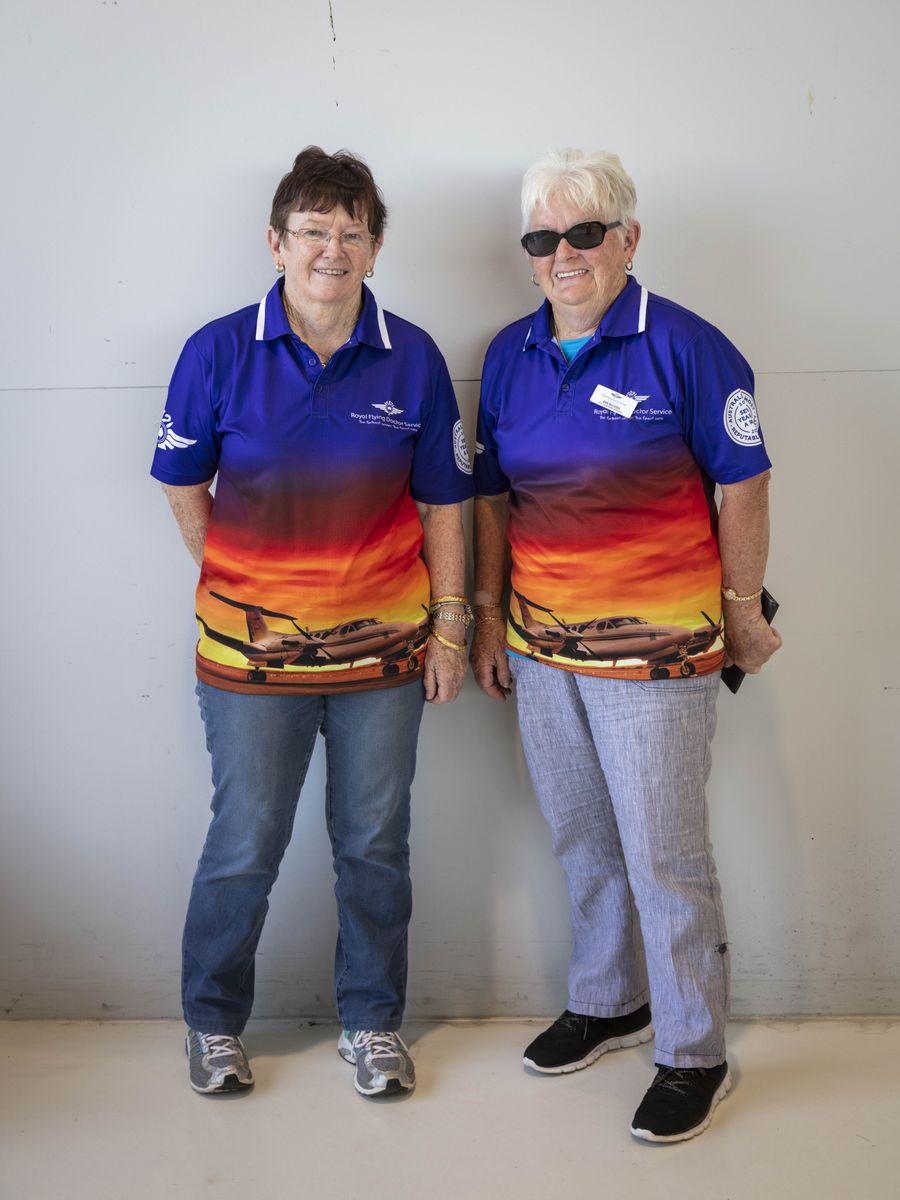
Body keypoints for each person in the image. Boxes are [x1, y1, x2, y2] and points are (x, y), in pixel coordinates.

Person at [471, 148, 781, 1143]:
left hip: (655, 655)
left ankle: (695, 1051)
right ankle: (611, 1001)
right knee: (582, 838)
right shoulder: (511, 356)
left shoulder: (689, 348)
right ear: (527, 255)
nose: (563, 255)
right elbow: (488, 500)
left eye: (585, 234)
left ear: (628, 239)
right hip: (539, 647)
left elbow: (746, 484)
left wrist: (740, 608)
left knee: (666, 855)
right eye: (543, 239)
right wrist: (483, 619)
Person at [151, 147, 473, 1099]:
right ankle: (212, 1025)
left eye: (352, 232)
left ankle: (371, 1024)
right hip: (248, 665)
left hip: (385, 661)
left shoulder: (412, 355)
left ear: (374, 249)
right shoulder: (216, 350)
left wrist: (450, 627)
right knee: (245, 845)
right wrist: (243, 586)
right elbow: (180, 483)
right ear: (276, 241)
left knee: (374, 846)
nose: (331, 249)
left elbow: (445, 503)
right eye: (313, 231)